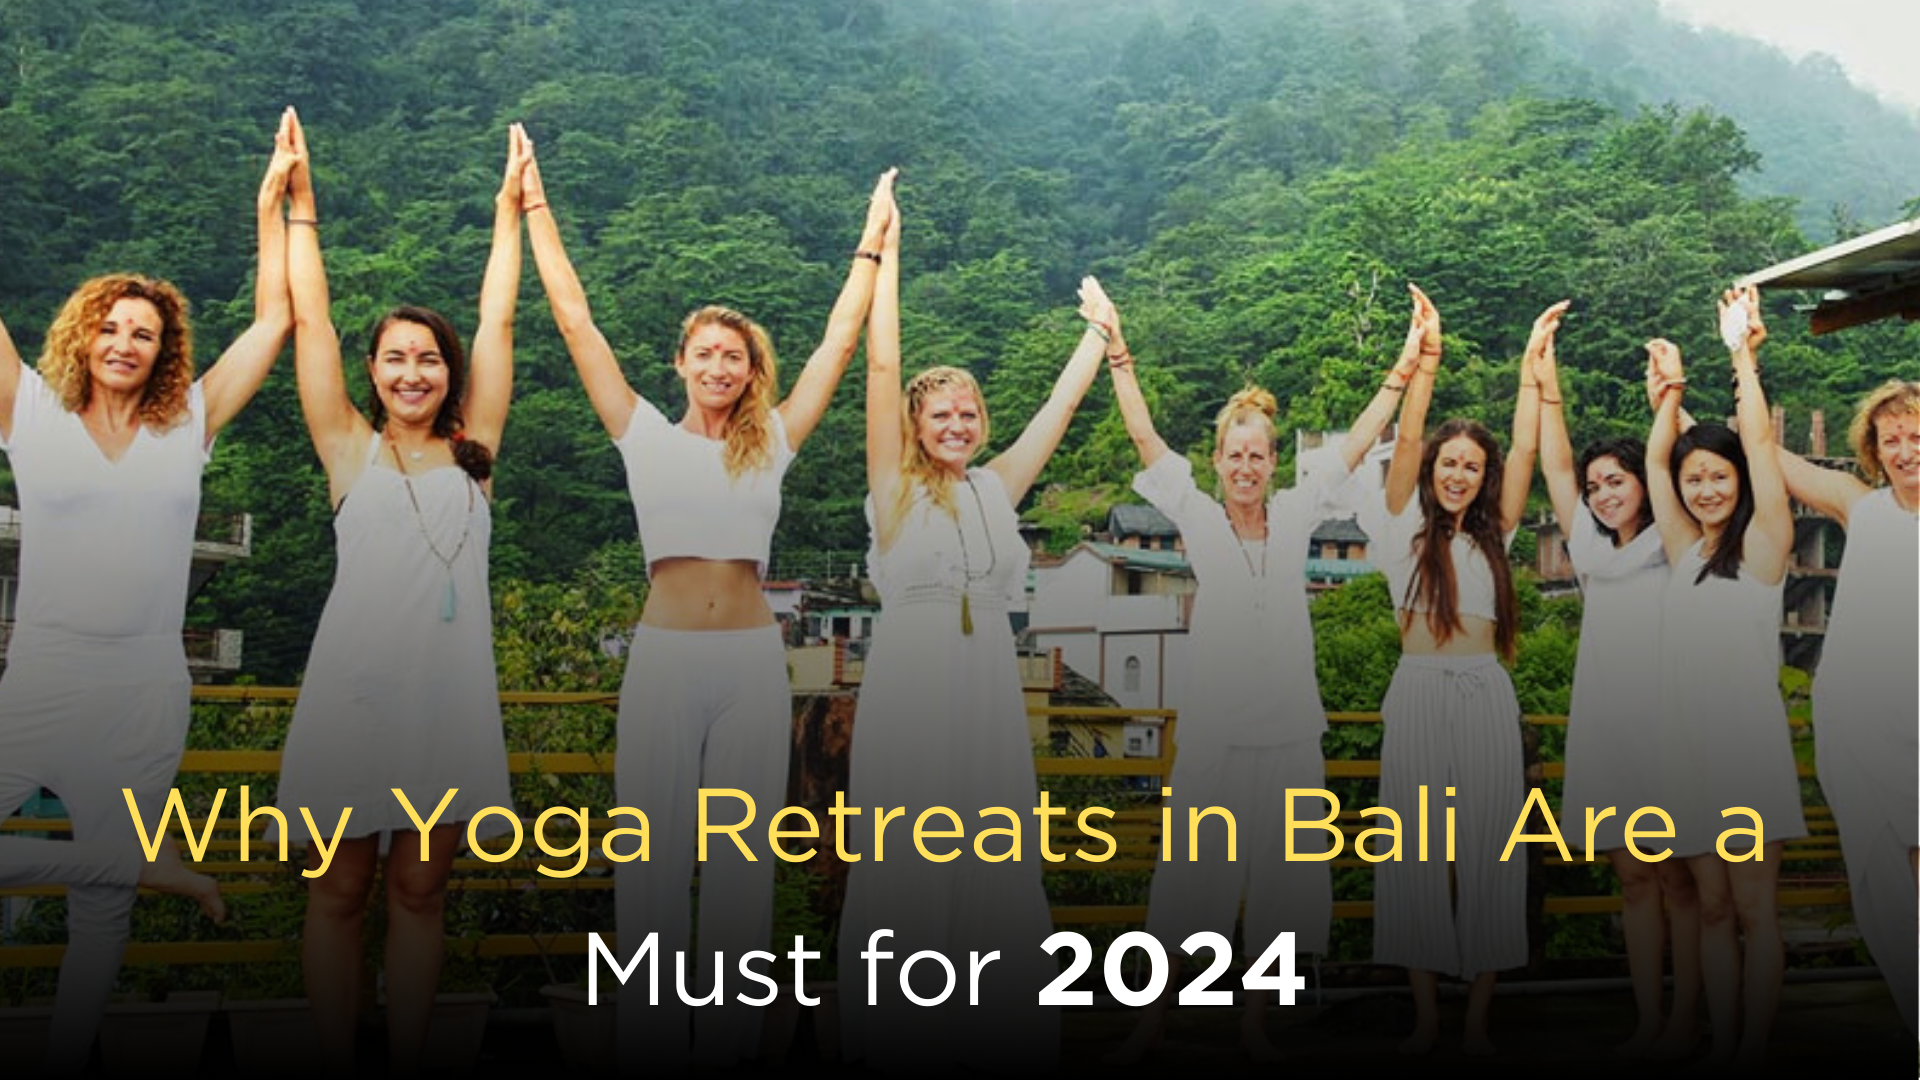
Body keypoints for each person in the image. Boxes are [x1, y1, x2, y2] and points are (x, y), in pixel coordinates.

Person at [525, 146, 895, 1068]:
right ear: (682, 363)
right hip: (663, 661)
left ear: (749, 368)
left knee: (740, 872)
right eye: (706, 354)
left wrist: (871, 243)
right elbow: (576, 325)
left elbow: (837, 348)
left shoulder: (770, 442)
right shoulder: (642, 435)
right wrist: (534, 209)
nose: (721, 366)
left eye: (735, 355)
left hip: (747, 669)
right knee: (649, 865)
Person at [0, 109, 297, 1069]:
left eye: (146, 332)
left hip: (142, 686)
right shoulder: (28, 413)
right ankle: (165, 874)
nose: (126, 343)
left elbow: (275, 321)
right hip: (39, 674)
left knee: (100, 907)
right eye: (112, 327)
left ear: (164, 348)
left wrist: (274, 208)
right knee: (113, 876)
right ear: (82, 335)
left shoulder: (190, 425)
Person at [1099, 281, 1415, 1062]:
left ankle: (1255, 1025)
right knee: (1189, 885)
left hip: (1289, 737)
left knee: (1282, 887)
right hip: (1215, 735)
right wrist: (1117, 351)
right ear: (1216, 461)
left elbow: (1356, 441)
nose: (1245, 465)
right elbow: (1143, 439)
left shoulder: (1302, 514)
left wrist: (1406, 365)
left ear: (1275, 462)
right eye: (1233, 454)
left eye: (1257, 455)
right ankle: (1153, 1021)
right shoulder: (1199, 519)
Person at [273, 114, 527, 1074]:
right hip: (355, 694)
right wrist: (302, 210)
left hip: (445, 700)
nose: (412, 371)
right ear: (373, 374)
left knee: (422, 891)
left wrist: (510, 215)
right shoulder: (348, 447)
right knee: (338, 891)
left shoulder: (476, 457)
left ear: (447, 371)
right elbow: (309, 322)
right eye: (395, 358)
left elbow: (500, 320)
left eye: (429, 357)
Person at [836, 188, 1104, 1072]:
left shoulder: (997, 489)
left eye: (969, 413)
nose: (958, 424)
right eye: (940, 413)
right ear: (916, 426)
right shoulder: (892, 490)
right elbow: (881, 367)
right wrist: (886, 253)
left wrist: (1097, 336)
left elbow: (1056, 419)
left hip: (988, 689)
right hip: (913, 691)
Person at [1359, 285, 1532, 1056]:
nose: (1459, 474)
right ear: (1433, 470)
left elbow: (1527, 452)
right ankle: (1429, 1020)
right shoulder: (1400, 528)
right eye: (1449, 463)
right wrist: (1423, 356)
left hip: (1487, 695)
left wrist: (1535, 372)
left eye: (1473, 465)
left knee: (1495, 850)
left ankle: (1476, 1024)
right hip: (1421, 694)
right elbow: (1408, 433)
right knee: (1416, 857)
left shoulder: (1497, 536)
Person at [1532, 301, 1701, 1057]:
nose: (1601, 492)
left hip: (1670, 722)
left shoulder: (1674, 538)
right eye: (1597, 485)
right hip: (1607, 724)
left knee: (1681, 883)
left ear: (1644, 479)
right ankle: (1648, 1018)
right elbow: (1555, 465)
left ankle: (1691, 1012)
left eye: (1617, 480)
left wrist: (1668, 398)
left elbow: (1691, 461)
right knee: (1635, 880)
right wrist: (1545, 376)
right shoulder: (1592, 547)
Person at [1643, 285, 1805, 1070]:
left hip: (1744, 746)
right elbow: (1653, 462)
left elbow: (1761, 446)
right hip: (1687, 747)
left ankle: (1751, 1044)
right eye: (1694, 478)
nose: (1705, 489)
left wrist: (1742, 354)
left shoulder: (1766, 544)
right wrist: (1666, 395)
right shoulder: (1684, 551)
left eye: (1718, 476)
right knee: (1708, 907)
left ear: (1739, 479)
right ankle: (1720, 1041)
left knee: (1752, 908)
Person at [1777, 375, 1918, 1034]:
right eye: (1892, 439)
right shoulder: (1862, 509)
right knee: (1885, 877)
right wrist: (1701, 388)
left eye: (1918, 436)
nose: (1906, 450)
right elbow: (1769, 455)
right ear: (1873, 448)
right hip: (1864, 725)